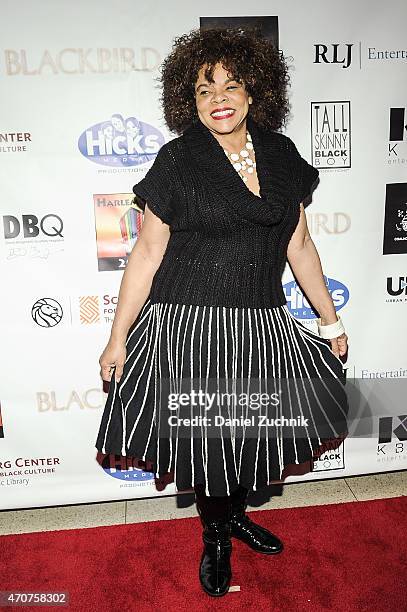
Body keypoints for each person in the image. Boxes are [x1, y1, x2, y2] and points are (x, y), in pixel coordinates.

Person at [95, 26, 349, 598]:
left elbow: (300, 246)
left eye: (231, 86)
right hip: (190, 326)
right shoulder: (180, 159)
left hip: (259, 322)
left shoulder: (281, 156)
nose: (219, 99)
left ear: (255, 92)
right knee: (208, 439)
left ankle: (233, 514)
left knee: (247, 433)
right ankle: (215, 534)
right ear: (191, 100)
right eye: (206, 90)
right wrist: (117, 337)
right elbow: (147, 252)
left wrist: (330, 320)